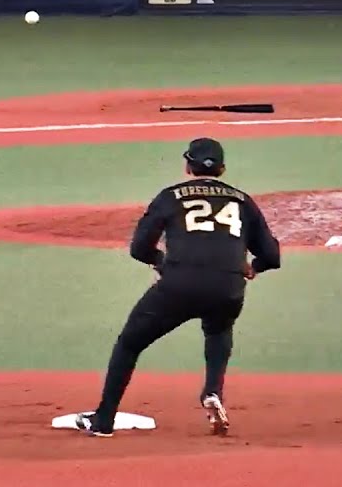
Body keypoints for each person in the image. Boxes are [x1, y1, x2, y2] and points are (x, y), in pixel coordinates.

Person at [78, 138, 282, 437]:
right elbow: (272, 256)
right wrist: (255, 267)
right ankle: (212, 391)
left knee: (130, 344)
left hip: (180, 283)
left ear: (188, 166)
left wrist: (161, 263)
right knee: (219, 329)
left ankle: (103, 420)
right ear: (222, 169)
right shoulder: (242, 200)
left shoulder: (170, 196)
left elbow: (139, 248)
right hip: (228, 285)